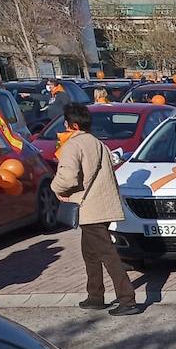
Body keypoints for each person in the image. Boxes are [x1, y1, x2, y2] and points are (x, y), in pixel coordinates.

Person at [51, 103, 139, 316]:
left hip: (89, 208)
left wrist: (55, 187)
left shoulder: (72, 145)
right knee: (90, 253)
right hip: (103, 205)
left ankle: (127, 299)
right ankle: (95, 295)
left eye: (65, 122)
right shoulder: (97, 142)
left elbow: (67, 177)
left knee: (107, 254)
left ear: (72, 124)